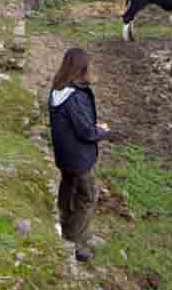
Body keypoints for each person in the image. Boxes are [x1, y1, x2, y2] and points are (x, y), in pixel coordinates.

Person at [48, 48, 110, 262]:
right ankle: (73, 241)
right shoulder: (75, 97)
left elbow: (73, 124)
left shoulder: (57, 89)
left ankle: (69, 226)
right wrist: (103, 131)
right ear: (81, 69)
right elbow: (85, 131)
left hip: (65, 156)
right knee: (87, 197)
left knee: (68, 191)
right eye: (89, 67)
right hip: (79, 158)